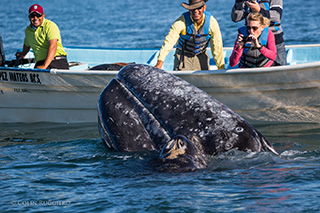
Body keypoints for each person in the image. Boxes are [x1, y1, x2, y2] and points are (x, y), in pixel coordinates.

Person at [155, 0, 225, 71]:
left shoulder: (212, 23)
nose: (196, 11)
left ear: (204, 8)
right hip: (183, 56)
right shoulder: (181, 22)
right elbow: (169, 41)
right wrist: (160, 62)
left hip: (201, 55)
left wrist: (221, 68)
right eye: (193, 8)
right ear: (189, 10)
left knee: (203, 80)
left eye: (199, 8)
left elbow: (217, 47)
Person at [231, 0, 286, 66]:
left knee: (280, 71)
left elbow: (276, 17)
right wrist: (239, 2)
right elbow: (236, 18)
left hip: (275, 40)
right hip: (250, 40)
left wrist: (259, 10)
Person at [16, 4, 69, 69]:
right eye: (33, 16)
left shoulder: (50, 26)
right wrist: (23, 54)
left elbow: (53, 46)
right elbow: (27, 45)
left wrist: (44, 66)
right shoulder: (28, 30)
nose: (35, 18)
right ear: (29, 17)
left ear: (43, 16)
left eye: (38, 15)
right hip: (40, 62)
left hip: (57, 61)